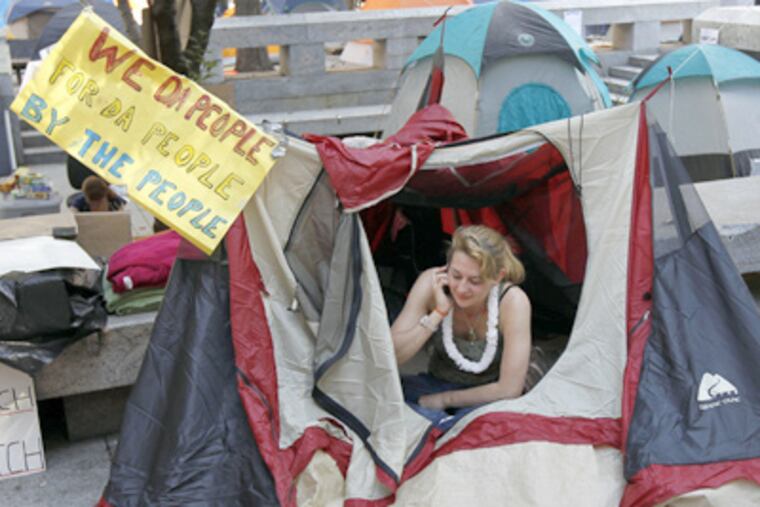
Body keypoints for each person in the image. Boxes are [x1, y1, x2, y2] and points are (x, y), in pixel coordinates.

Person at [391, 225, 532, 426]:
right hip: (432, 384)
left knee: (482, 431)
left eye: (475, 281)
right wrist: (437, 315)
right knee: (387, 405)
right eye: (456, 275)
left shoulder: (512, 301)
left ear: (497, 277)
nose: (462, 288)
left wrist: (445, 400)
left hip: (487, 395)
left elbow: (509, 389)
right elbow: (390, 356)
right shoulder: (432, 283)